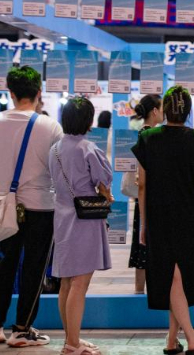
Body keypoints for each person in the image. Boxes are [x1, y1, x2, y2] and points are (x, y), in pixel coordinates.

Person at [0, 66, 64, 347]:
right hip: (41, 205)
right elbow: (57, 167)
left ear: (10, 93)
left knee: (4, 263)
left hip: (6, 205)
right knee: (35, 267)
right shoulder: (51, 125)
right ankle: (23, 329)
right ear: (39, 93)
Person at [132, 86, 194, 355]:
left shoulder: (148, 138)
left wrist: (144, 224)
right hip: (188, 213)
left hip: (157, 214)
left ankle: (171, 339)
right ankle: (191, 339)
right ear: (188, 111)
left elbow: (141, 186)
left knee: (171, 275)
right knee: (179, 275)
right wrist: (186, 189)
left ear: (164, 110)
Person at [49, 97, 114, 355]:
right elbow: (104, 180)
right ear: (88, 120)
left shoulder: (54, 148)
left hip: (63, 218)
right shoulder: (88, 148)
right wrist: (106, 194)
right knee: (80, 283)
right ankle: (73, 344)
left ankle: (70, 338)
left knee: (67, 282)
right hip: (85, 220)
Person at [124, 95, 162, 295]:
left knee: (141, 250)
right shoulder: (151, 135)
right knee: (147, 247)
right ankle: (145, 292)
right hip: (149, 198)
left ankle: (139, 292)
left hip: (143, 198)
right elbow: (145, 178)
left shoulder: (142, 133)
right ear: (154, 111)